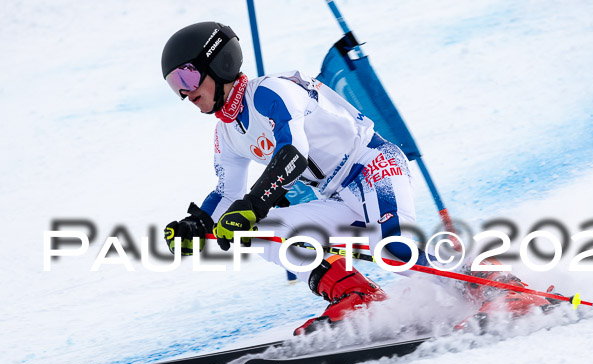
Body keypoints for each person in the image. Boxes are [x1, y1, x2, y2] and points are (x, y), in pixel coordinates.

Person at [160, 21, 551, 336]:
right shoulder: (226, 132)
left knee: (395, 250)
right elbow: (226, 193)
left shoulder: (270, 93)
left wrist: (252, 204)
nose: (185, 93)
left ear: (219, 62)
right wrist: (197, 224)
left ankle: (500, 287)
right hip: (337, 195)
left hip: (374, 167)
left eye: (188, 77)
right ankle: (357, 295)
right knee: (265, 230)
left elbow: (290, 154)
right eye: (175, 86)